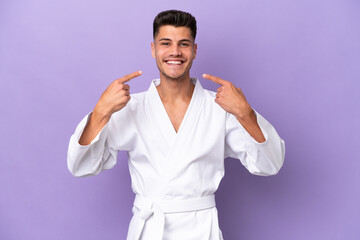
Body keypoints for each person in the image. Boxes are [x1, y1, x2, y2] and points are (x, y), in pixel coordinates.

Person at [67, 9, 285, 240]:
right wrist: (101, 110)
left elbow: (271, 164)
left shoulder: (221, 107)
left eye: (183, 44)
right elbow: (80, 166)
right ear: (153, 49)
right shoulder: (130, 107)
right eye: (165, 43)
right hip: (150, 228)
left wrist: (246, 113)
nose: (175, 52)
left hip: (201, 229)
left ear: (194, 50)